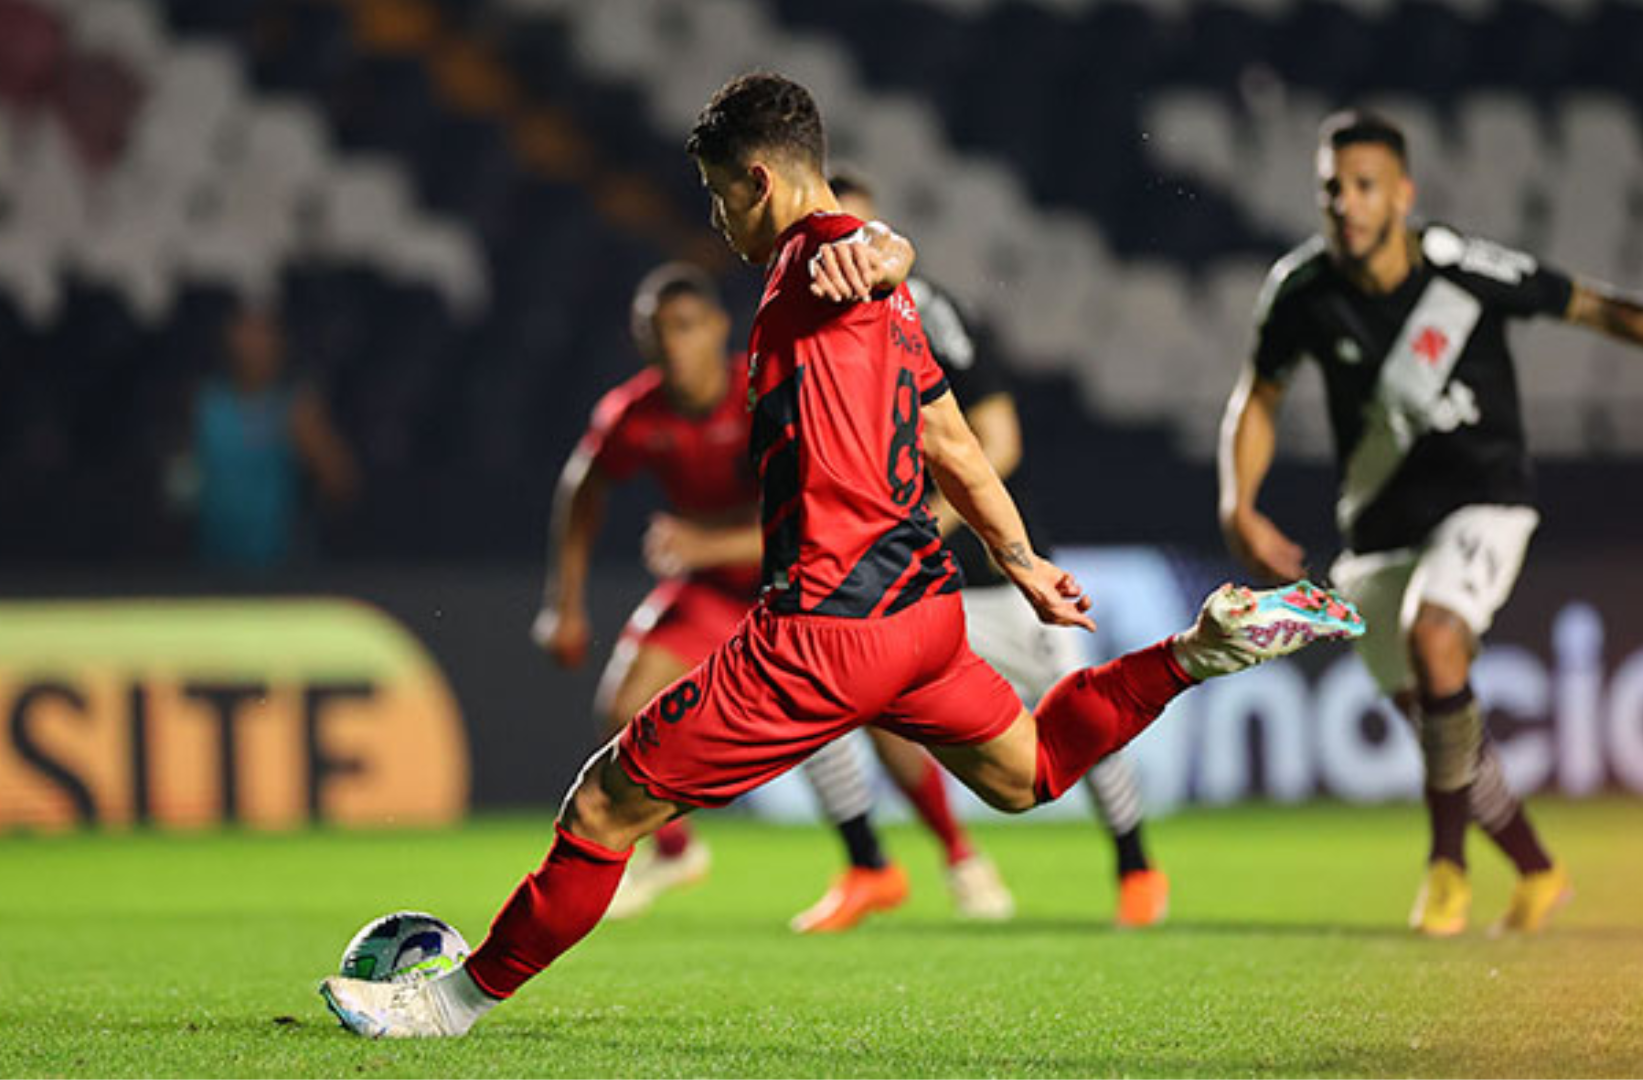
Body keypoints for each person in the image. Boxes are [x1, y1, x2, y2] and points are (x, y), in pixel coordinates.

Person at [319, 72, 1361, 1039]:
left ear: (759, 178)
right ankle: (1199, 651)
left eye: (721, 196)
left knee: (602, 805)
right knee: (1028, 770)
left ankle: (442, 1007)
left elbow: (870, 252)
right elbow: (949, 440)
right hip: (925, 614)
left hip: (828, 628)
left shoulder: (820, 265)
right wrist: (1022, 558)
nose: (719, 221)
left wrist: (880, 243)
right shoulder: (875, 302)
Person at [1220, 109, 1643, 938]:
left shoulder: (1461, 272)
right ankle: (1539, 871)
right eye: (1333, 189)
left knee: (1437, 639)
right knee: (1442, 725)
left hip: (1484, 502)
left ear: (1403, 194)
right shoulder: (1303, 291)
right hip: (1377, 534)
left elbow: (1597, 309)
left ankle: (1446, 874)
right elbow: (1258, 398)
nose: (1348, 205)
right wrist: (1238, 503)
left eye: (1365, 187)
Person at [786, 174, 1167, 935]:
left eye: (860, 233)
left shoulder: (927, 311)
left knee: (1074, 718)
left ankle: (1135, 864)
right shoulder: (809, 325)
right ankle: (868, 864)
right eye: (831, 235)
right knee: (818, 698)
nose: (847, 252)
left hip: (988, 580)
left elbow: (996, 442)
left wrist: (917, 522)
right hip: (902, 586)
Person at [528, 262, 758, 919]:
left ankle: (956, 857)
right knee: (626, 705)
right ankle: (677, 850)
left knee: (895, 728)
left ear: (718, 328)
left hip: (799, 587)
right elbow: (583, 490)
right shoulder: (635, 414)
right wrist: (563, 605)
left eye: (685, 327)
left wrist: (702, 542)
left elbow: (806, 522)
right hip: (714, 591)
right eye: (656, 333)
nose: (673, 345)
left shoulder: (763, 392)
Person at [184, 302, 357, 570]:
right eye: (244, 330)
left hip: (277, 569)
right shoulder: (208, 403)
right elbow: (181, 481)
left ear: (281, 340)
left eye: (262, 332)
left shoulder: (297, 407)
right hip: (212, 565)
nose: (252, 343)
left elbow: (341, 481)